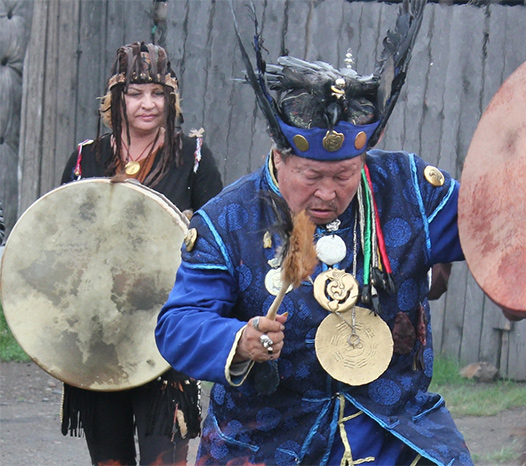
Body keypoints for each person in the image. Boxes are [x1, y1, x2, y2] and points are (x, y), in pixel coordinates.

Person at [155, 1, 473, 465]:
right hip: (264, 441)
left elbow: (496, 227)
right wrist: (237, 339)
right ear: (279, 156)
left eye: (344, 175)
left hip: (392, 432)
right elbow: (178, 324)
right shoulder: (226, 222)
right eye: (310, 176)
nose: (327, 192)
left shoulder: (409, 188)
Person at [60, 42, 223, 465]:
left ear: (172, 98)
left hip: (168, 335)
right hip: (99, 336)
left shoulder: (194, 157)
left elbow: (217, 244)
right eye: (135, 93)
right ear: (116, 99)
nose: (148, 104)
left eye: (158, 93)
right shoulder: (87, 158)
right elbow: (61, 241)